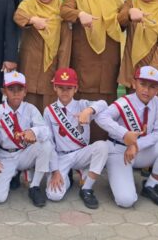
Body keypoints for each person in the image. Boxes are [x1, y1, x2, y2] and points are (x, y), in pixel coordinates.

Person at [96, 66, 158, 208]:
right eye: (142, 84)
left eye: (152, 86)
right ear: (134, 84)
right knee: (126, 201)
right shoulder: (124, 102)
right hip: (119, 152)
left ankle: (151, 185)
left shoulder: (156, 102)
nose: (146, 90)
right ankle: (117, 177)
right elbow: (101, 117)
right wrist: (124, 134)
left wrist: (136, 145)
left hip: (139, 151)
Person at [60, 0, 123, 139]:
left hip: (109, 56)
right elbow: (64, 11)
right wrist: (79, 13)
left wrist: (129, 8)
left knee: (106, 99)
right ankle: (80, 141)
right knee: (82, 99)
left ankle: (103, 142)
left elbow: (122, 18)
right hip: (84, 56)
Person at [0, 71, 51, 208]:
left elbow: (46, 131)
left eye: (19, 89)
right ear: (4, 91)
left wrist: (33, 131)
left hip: (23, 154)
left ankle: (34, 186)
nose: (16, 93)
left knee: (45, 144)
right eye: (11, 89)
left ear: (25, 91)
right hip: (5, 156)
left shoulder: (31, 109)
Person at [43, 67, 110, 209]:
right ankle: (67, 177)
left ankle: (87, 188)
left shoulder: (83, 104)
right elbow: (49, 143)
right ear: (55, 87)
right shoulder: (49, 111)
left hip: (81, 153)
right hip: (61, 156)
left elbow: (104, 104)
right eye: (61, 87)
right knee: (54, 195)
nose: (65, 91)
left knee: (103, 146)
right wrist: (55, 171)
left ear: (76, 88)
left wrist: (88, 111)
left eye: (69, 88)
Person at [14, 0, 70, 112]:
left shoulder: (61, 9)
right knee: (27, 106)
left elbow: (65, 45)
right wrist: (33, 20)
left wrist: (61, 72)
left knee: (49, 108)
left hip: (51, 67)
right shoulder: (28, 4)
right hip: (29, 64)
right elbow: (17, 16)